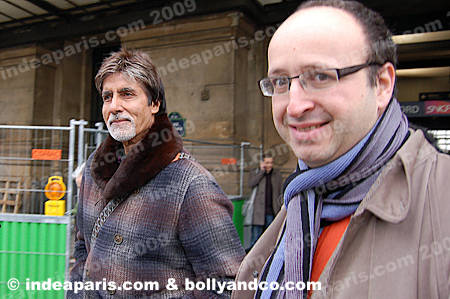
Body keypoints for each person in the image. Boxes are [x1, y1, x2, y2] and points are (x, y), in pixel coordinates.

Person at [232, 1, 450, 298]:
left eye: (321, 76)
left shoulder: (441, 198)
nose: (294, 107)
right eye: (281, 82)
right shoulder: (300, 199)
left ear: (383, 84)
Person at [69, 48, 245, 298]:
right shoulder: (93, 170)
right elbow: (81, 249)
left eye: (127, 94)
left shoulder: (191, 183)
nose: (114, 106)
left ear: (154, 104)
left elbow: (226, 286)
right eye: (107, 97)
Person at [247, 154, 283, 248]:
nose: (269, 165)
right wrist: (262, 172)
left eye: (271, 162)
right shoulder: (255, 172)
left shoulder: (277, 174)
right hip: (258, 212)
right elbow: (251, 184)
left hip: (271, 212)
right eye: (267, 163)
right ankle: (252, 261)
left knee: (270, 240)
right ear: (262, 163)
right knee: (255, 240)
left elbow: (280, 192)